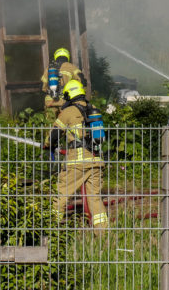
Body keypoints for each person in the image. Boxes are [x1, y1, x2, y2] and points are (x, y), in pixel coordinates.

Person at [44, 80, 108, 233]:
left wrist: (47, 144)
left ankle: (50, 228)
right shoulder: (93, 110)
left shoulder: (68, 112)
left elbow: (54, 135)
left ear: (69, 94)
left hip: (77, 163)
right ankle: (103, 233)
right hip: (96, 161)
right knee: (94, 198)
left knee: (61, 193)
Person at [41, 48, 87, 118]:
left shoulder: (49, 68)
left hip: (50, 102)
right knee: (65, 123)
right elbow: (82, 82)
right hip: (65, 102)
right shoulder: (72, 67)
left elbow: (42, 86)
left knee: (50, 125)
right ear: (67, 56)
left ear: (56, 56)